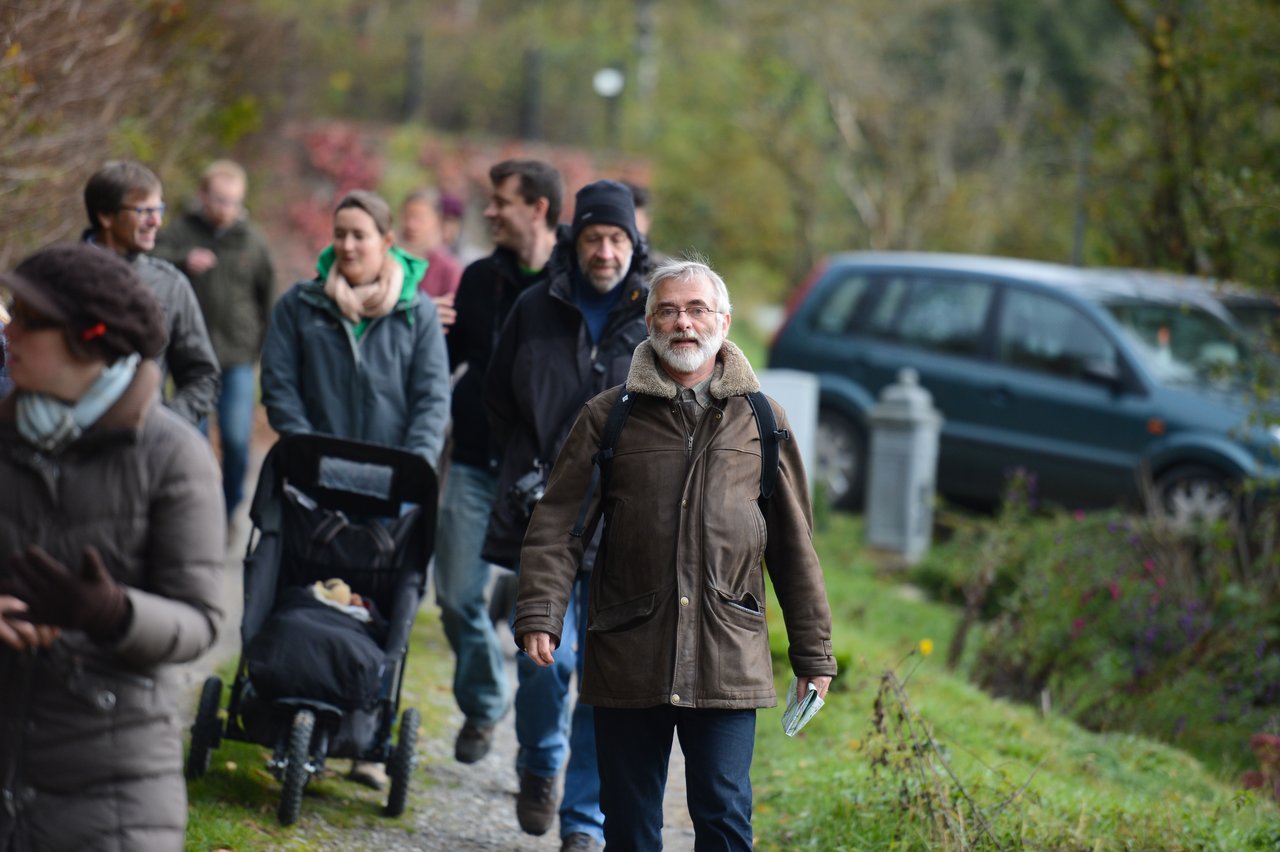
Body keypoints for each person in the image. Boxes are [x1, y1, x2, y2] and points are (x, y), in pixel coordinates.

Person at [514, 257, 837, 850]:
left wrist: (813, 653)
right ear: (648, 322)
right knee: (631, 821)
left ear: (724, 321)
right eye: (667, 310)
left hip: (729, 651)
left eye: (696, 309)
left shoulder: (764, 421)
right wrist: (541, 611)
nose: (682, 323)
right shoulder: (608, 417)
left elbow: (793, 546)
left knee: (723, 813)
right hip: (629, 644)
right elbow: (559, 523)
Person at [0, 243, 226, 849]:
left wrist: (112, 612)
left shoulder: (173, 455)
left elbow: (200, 621)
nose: (8, 328)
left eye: (27, 316)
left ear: (87, 337)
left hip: (113, 790)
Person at [260, 189, 451, 790]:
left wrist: (412, 470)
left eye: (360, 235)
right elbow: (280, 383)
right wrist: (305, 453)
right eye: (339, 233)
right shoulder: (302, 304)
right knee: (295, 585)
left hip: (390, 493)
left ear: (386, 243)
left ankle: (364, 739)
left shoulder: (416, 314)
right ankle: (277, 705)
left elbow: (430, 400)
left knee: (383, 601)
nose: (346, 245)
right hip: (313, 485)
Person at [484, 179, 650, 852]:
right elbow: (498, 400)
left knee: (604, 681)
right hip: (547, 516)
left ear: (632, 244)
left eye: (616, 239)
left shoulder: (651, 316)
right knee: (547, 661)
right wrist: (530, 463)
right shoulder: (535, 307)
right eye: (593, 238)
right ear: (573, 241)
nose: (604, 251)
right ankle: (539, 762)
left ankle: (585, 819)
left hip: (626, 525)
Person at [433, 159, 562, 771]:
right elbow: (450, 360)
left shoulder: (573, 280)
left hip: (549, 482)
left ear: (537, 208)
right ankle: (486, 702)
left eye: (500, 201)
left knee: (545, 629)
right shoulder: (479, 278)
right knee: (457, 599)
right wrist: (425, 329)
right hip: (476, 463)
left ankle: (540, 760)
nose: (488, 212)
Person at [154, 159, 276, 523]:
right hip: (190, 356)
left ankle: (229, 508)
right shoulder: (182, 232)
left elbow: (267, 299)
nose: (226, 209)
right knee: (194, 440)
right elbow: (149, 260)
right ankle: (197, 512)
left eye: (233, 202)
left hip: (237, 357)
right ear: (204, 196)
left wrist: (266, 353)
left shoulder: (253, 242)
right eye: (220, 200)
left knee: (238, 441)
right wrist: (183, 259)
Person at [82, 160, 220, 426]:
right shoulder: (56, 275)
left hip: (139, 453)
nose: (156, 221)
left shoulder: (170, 284)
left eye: (159, 209)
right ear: (106, 216)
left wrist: (165, 424)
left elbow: (202, 375)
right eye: (144, 210)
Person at [400, 188, 463, 335]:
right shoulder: (392, 263)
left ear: (437, 221)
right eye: (407, 217)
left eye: (419, 219)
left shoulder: (449, 268)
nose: (411, 225)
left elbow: (451, 317)